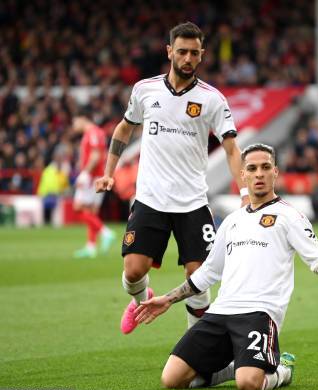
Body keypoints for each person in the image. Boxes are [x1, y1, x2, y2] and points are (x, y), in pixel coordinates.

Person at [133, 143, 318, 390]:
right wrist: (168, 299)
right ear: (243, 175)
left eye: (265, 167)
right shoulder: (232, 220)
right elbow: (209, 271)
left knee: (249, 384)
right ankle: (233, 368)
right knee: (172, 379)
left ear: (275, 172)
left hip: (259, 313)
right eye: (252, 169)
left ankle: (282, 371)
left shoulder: (290, 217)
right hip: (220, 313)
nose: (259, 174)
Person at [94, 22, 248, 334]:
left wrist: (244, 194)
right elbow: (124, 128)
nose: (188, 58)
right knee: (133, 271)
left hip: (192, 201)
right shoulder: (144, 90)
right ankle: (139, 302)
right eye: (182, 51)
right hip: (150, 198)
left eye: (194, 52)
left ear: (202, 55)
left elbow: (232, 149)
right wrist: (108, 172)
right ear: (169, 52)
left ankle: (196, 345)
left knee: (200, 275)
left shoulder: (212, 99)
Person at [72, 115, 116, 258]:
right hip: (97, 176)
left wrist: (85, 173)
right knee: (91, 212)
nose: (74, 126)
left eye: (75, 122)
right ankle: (91, 247)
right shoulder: (97, 133)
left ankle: (105, 232)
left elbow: (96, 155)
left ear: (82, 119)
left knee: (78, 207)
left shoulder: (93, 133)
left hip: (92, 177)